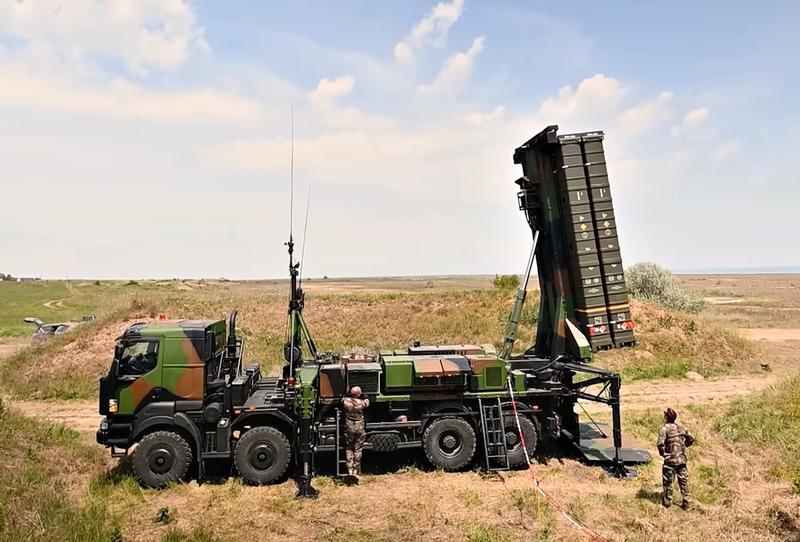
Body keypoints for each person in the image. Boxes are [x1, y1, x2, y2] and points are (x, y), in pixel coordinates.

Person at [657, 407, 694, 509]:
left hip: (670, 460)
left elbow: (660, 444)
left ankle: (668, 502)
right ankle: (687, 503)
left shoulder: (664, 429)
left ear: (666, 417)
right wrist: (684, 446)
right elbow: (691, 439)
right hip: (681, 459)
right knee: (684, 482)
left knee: (668, 482)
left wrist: (664, 454)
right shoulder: (682, 428)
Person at [342, 386, 370, 476]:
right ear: (359, 394)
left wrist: (347, 394)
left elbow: (342, 399)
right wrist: (366, 396)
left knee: (349, 448)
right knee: (358, 449)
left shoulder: (346, 402)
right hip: (359, 429)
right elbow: (367, 402)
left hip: (349, 429)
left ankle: (349, 469)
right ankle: (356, 469)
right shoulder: (362, 403)